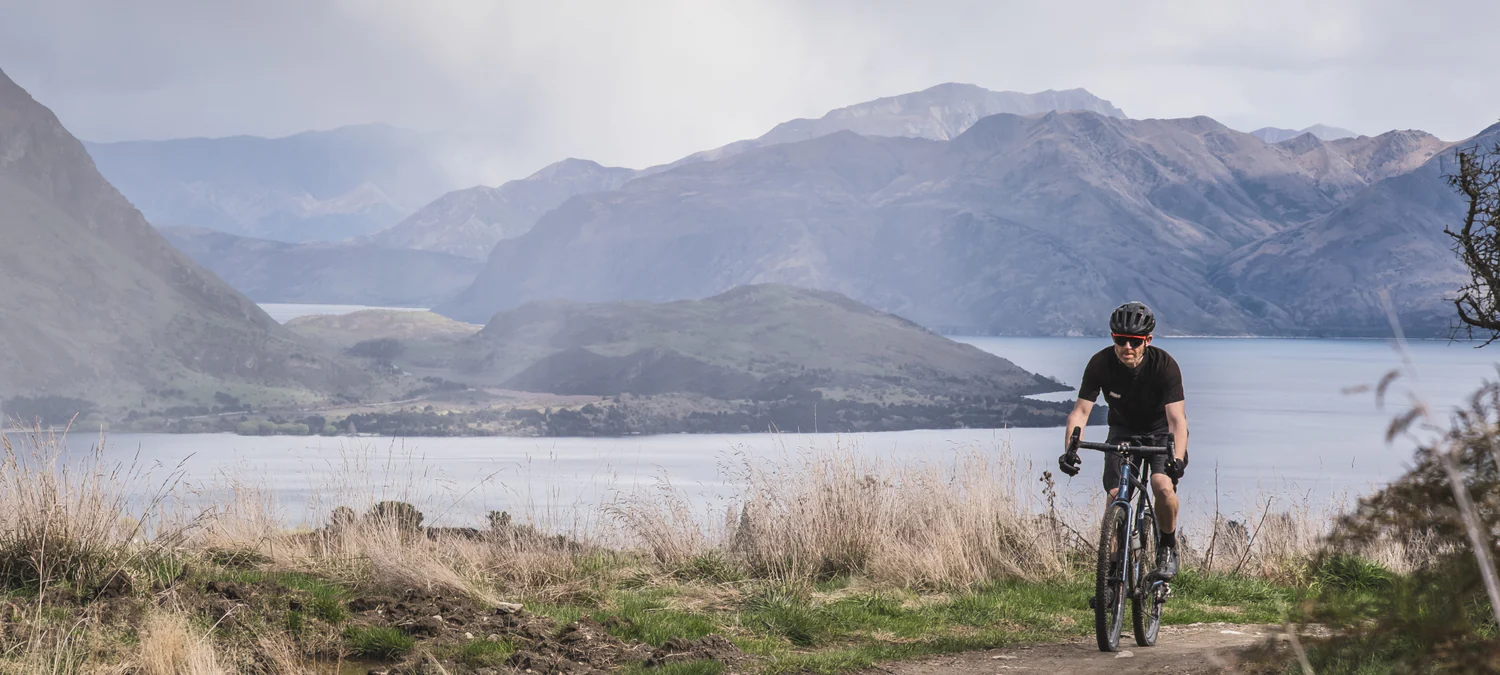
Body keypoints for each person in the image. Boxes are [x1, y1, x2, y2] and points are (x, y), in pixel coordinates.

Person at [1057, 302, 1188, 580]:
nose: (1127, 346)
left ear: (1147, 341)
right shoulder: (1100, 364)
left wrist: (1177, 459)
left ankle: (1167, 547)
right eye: (1119, 339)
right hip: (1122, 432)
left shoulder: (1164, 366)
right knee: (1117, 496)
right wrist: (1069, 449)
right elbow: (1080, 412)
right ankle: (1112, 573)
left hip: (1160, 434)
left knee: (1161, 485)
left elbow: (1177, 420)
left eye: (1135, 341)